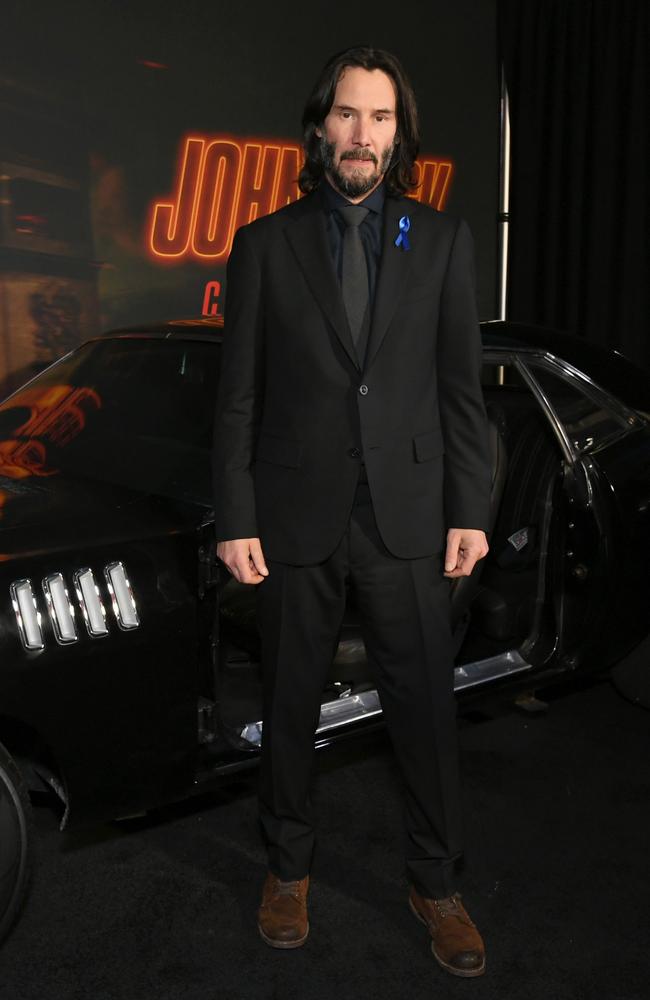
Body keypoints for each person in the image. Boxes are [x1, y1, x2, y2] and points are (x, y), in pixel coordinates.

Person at [213, 45, 491, 978]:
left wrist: (471, 507)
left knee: (424, 712)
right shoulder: (263, 244)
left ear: (398, 134)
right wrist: (236, 516)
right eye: (346, 115)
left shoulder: (443, 242)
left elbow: (462, 393)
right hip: (293, 517)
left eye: (379, 118)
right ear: (320, 126)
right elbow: (238, 401)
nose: (361, 134)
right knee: (291, 703)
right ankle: (287, 869)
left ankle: (437, 883)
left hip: (409, 518)